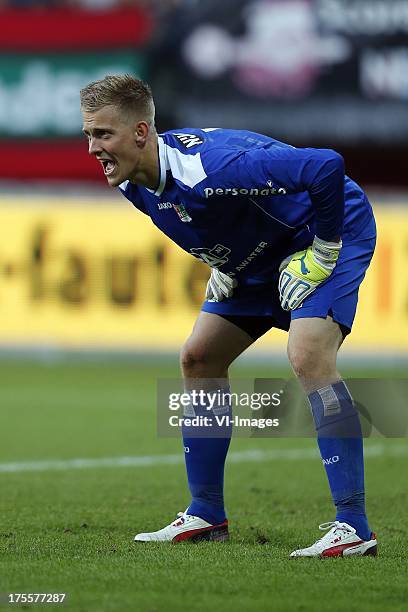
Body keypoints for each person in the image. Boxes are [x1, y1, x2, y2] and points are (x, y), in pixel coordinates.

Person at [80, 74, 377, 557]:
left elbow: (325, 166)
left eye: (103, 134)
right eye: (88, 135)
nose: (93, 147)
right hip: (259, 255)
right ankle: (206, 514)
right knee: (199, 359)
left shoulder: (213, 170)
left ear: (140, 133)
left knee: (307, 355)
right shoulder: (133, 181)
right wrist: (222, 262)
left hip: (328, 228)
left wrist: (323, 251)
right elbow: (202, 219)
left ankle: (354, 527)